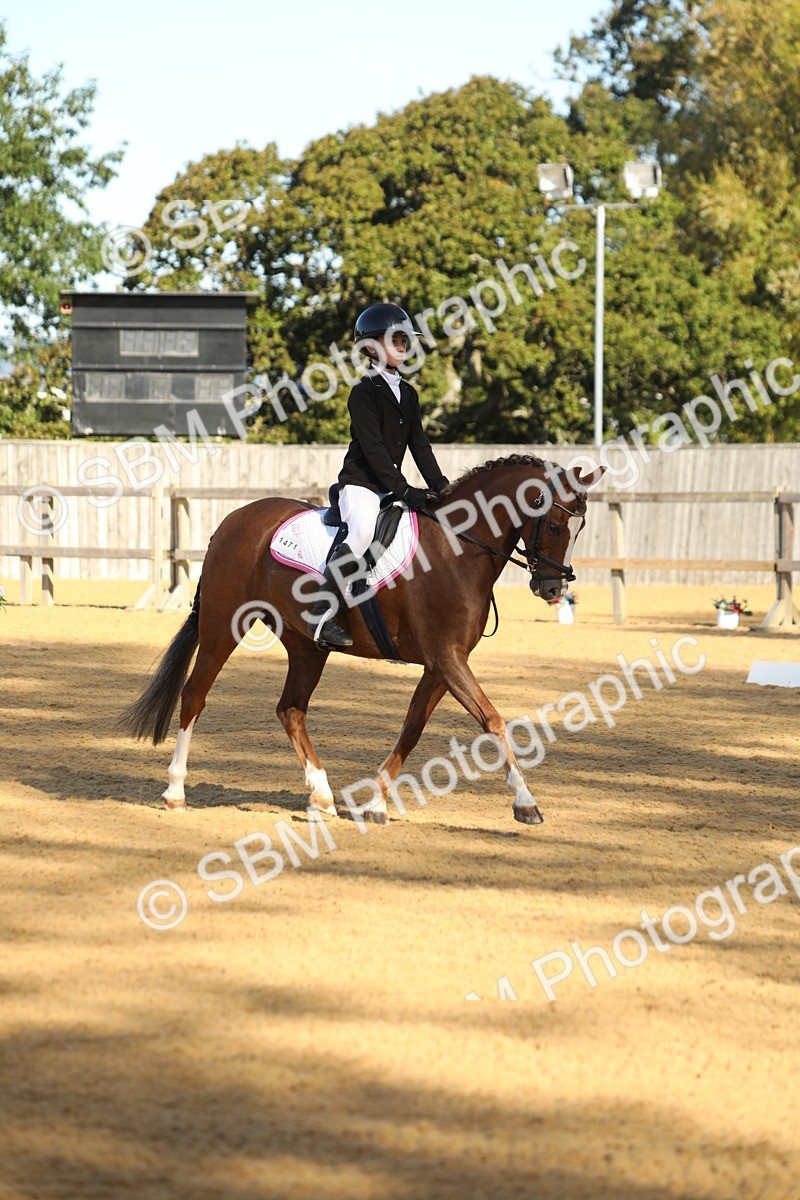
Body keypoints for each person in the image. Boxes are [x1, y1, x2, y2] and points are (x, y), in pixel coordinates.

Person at [307, 303, 450, 649]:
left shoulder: (409, 393)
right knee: (361, 533)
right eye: (395, 339)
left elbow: (421, 447)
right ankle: (321, 614)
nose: (402, 345)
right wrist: (404, 489)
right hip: (361, 485)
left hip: (389, 487)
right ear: (370, 348)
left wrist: (443, 488)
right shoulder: (363, 393)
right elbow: (374, 451)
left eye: (405, 339)